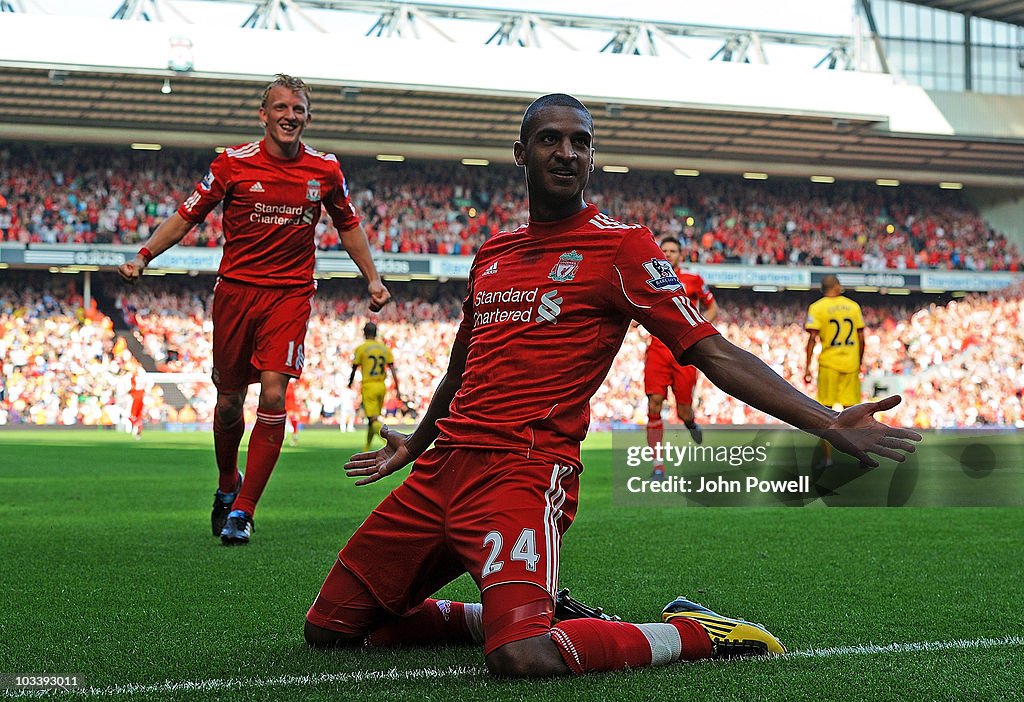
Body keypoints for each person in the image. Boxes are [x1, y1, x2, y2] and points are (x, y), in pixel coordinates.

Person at [303, 94, 920, 677]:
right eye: (549, 140)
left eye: (580, 142)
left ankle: (692, 633)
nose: (566, 153)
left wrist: (825, 419)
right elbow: (464, 361)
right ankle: (504, 616)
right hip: (441, 471)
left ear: (592, 157)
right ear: (522, 153)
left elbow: (710, 350)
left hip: (522, 468)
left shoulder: (621, 248)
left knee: (522, 657)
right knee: (333, 630)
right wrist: (416, 443)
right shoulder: (493, 251)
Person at [118, 74, 391, 546]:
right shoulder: (231, 165)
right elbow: (187, 214)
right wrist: (144, 256)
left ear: (308, 116)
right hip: (235, 295)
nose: (290, 116)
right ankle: (228, 484)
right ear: (263, 115)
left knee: (272, 392)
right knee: (228, 403)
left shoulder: (325, 171)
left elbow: (349, 225)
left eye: (298, 109)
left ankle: (243, 511)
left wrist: (373, 277)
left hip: (289, 296)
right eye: (281, 108)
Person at [644, 236, 718, 479]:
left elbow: (713, 308)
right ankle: (657, 465)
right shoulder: (648, 279)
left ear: (680, 254)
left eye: (672, 250)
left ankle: (690, 422)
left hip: (684, 351)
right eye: (663, 249)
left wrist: (699, 327)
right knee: (654, 403)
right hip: (657, 348)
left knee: (683, 410)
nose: (667, 253)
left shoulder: (693, 280)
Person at [803, 274, 866, 469]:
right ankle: (862, 456)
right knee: (855, 413)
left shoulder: (817, 307)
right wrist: (859, 361)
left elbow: (812, 339)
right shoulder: (853, 306)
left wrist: (807, 367)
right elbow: (862, 338)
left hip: (829, 364)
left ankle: (827, 458)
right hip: (850, 364)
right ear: (837, 286)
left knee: (825, 413)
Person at [348, 322, 401, 451]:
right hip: (381, 386)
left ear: (364, 333)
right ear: (376, 333)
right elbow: (392, 368)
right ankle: (367, 447)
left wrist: (350, 382)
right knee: (373, 418)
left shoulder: (361, 348)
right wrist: (397, 388)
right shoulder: (384, 348)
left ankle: (391, 441)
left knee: (372, 420)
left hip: (369, 385)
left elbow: (354, 367)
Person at [127, 372, 147, 439]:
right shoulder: (134, 387)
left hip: (138, 402)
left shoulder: (140, 389)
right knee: (134, 417)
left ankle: (137, 431)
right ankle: (135, 431)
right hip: (134, 401)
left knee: (137, 418)